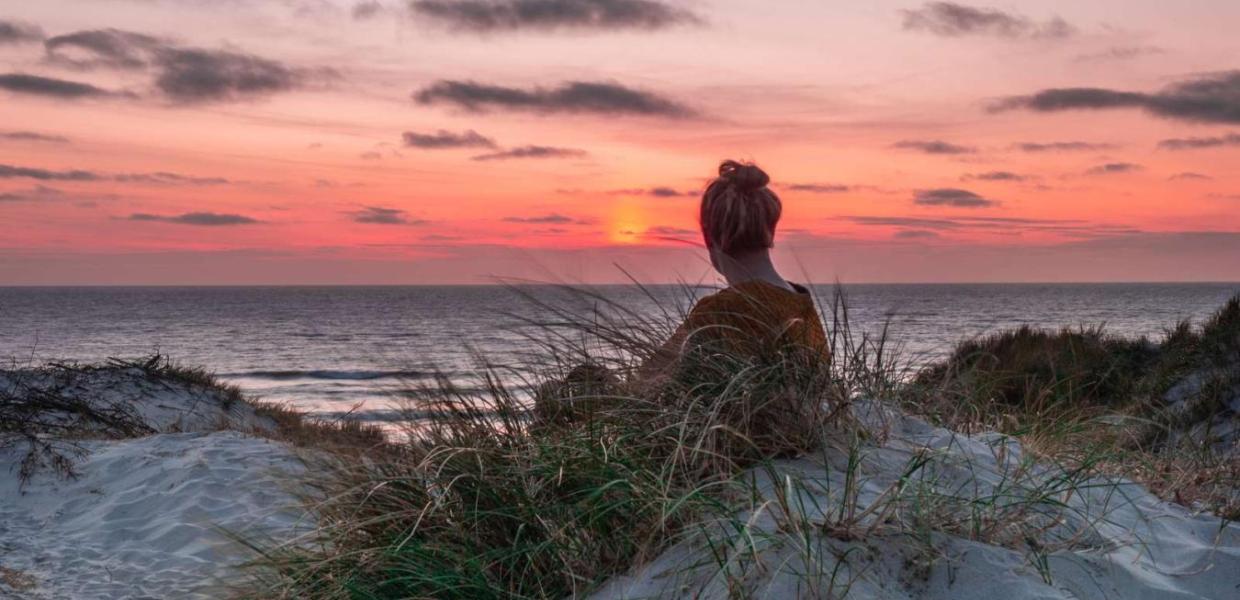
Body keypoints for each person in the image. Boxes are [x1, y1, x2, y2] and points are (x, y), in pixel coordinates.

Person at [640, 160, 830, 379]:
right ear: (770, 231)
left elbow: (646, 382)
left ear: (711, 239)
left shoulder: (720, 312)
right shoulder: (802, 305)